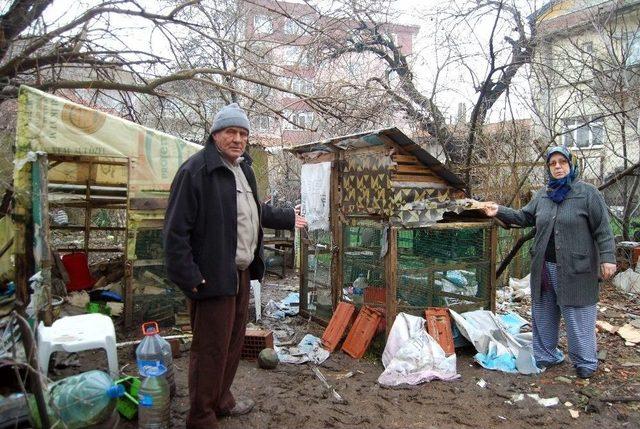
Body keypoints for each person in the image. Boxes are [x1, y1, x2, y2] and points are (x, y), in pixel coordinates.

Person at [163, 103, 307, 429]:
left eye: (243, 133)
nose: (238, 139)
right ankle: (200, 416)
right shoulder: (196, 172)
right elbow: (174, 232)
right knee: (210, 349)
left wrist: (286, 217)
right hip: (210, 276)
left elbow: (251, 209)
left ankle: (221, 400)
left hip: (240, 272)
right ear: (215, 134)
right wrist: (190, 278)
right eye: (231, 132)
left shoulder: (243, 170)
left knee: (232, 342)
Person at [482, 146, 616, 379]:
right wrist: (498, 210)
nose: (557, 167)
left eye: (562, 162)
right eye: (552, 163)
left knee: (578, 315)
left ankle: (585, 361)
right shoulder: (543, 195)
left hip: (577, 270)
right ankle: (546, 356)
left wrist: (608, 258)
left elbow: (603, 230)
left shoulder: (587, 193)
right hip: (544, 267)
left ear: (571, 164)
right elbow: (524, 217)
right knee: (543, 312)